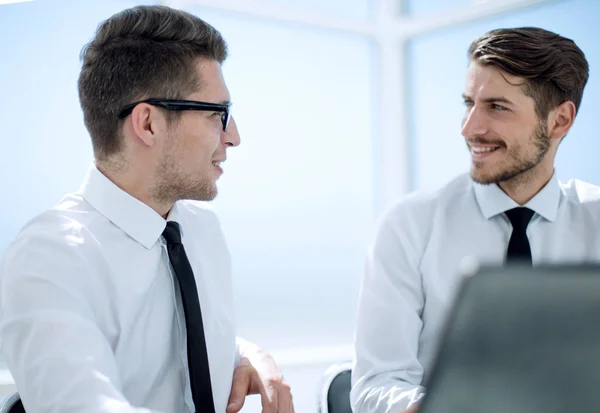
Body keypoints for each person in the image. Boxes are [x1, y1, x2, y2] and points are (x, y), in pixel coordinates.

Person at [0, 5, 293, 413]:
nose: (234, 137)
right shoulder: (51, 258)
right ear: (148, 124)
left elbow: (174, 334)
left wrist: (243, 354)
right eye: (217, 115)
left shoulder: (203, 232)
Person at [351, 26, 600, 413]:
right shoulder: (409, 226)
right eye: (469, 103)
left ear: (559, 121)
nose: (469, 128)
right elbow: (377, 385)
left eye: (496, 107)